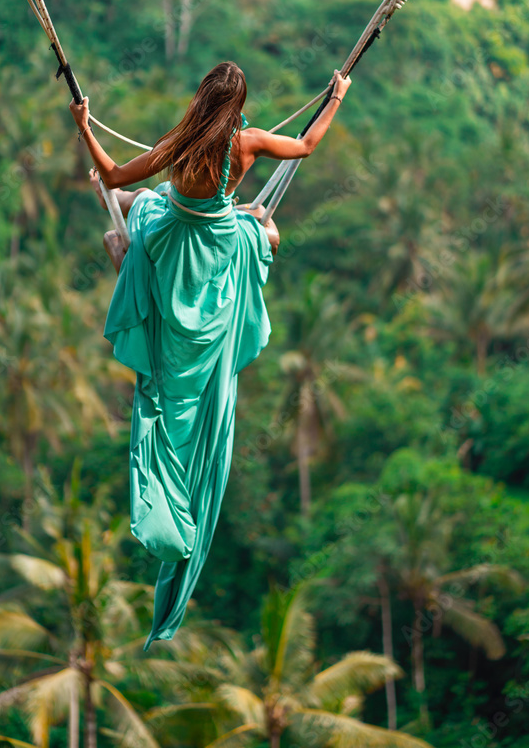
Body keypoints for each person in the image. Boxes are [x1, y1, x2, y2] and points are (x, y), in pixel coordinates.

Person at [69, 61, 350, 649]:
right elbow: (304, 145)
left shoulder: (181, 143)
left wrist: (84, 126)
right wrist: (336, 98)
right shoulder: (245, 142)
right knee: (265, 232)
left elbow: (115, 177)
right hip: (219, 243)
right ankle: (164, 269)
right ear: (239, 102)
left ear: (201, 97)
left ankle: (135, 274)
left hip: (174, 239)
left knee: (137, 213)